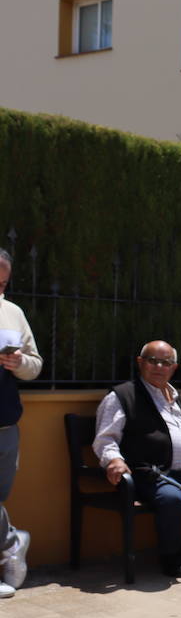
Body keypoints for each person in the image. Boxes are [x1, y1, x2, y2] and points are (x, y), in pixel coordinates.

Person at [93, 341, 181, 579]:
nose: (159, 366)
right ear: (140, 363)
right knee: (172, 499)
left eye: (166, 362)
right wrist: (113, 461)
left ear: (174, 367)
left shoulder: (177, 397)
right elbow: (106, 438)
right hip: (154, 474)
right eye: (152, 360)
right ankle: (170, 556)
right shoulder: (123, 396)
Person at [0, 248, 42, 598]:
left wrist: (18, 363)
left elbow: (35, 364)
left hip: (4, 422)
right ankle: (11, 541)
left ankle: (9, 542)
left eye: (3, 284)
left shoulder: (13, 312)